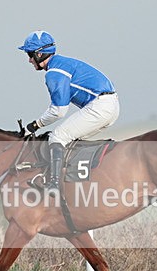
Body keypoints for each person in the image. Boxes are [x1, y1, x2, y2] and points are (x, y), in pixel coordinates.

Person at [19, 30, 119, 196]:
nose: (29, 60)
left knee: (57, 136)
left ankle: (54, 184)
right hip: (109, 105)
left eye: (30, 55)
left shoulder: (54, 73)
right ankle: (74, 180)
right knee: (70, 139)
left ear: (39, 54)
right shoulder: (61, 63)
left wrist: (34, 125)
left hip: (100, 106)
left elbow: (58, 111)